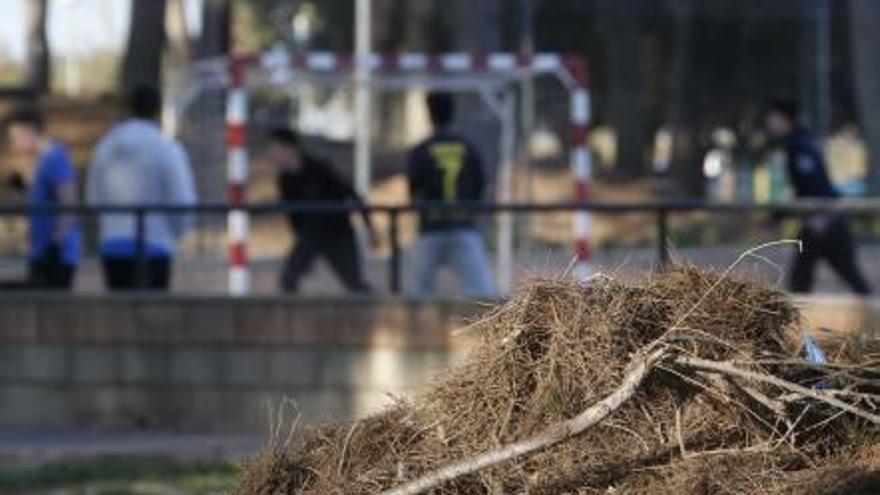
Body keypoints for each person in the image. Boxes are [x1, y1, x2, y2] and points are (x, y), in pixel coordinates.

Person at [87, 85, 196, 291]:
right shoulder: (166, 148)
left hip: (113, 242)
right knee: (152, 315)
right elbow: (181, 199)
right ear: (157, 110)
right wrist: (176, 233)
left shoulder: (106, 146)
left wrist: (107, 224)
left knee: (119, 313)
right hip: (156, 243)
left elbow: (94, 197)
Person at [765, 99, 872, 295]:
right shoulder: (799, 141)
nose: (769, 123)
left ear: (783, 119)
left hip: (822, 220)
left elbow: (813, 184)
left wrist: (819, 215)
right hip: (819, 219)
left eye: (772, 118)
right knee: (809, 277)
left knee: (807, 279)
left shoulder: (798, 145)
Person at [269, 128, 378, 293]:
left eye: (275, 150)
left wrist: (370, 228)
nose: (272, 156)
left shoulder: (319, 169)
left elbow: (352, 195)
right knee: (288, 278)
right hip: (311, 236)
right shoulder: (285, 180)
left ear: (288, 148)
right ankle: (294, 316)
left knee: (354, 284)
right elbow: (294, 217)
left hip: (338, 234)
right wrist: (303, 250)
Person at [407, 92, 494, 297]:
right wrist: (468, 210)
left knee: (418, 294)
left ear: (429, 114)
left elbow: (414, 190)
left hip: (430, 228)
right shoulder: (467, 148)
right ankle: (480, 330)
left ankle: (416, 329)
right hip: (462, 226)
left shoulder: (421, 150)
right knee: (481, 294)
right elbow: (480, 184)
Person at [3, 105, 81, 290]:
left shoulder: (55, 158)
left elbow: (68, 201)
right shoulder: (42, 161)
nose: (12, 143)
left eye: (14, 137)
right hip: (41, 250)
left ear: (29, 130)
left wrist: (55, 244)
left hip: (55, 254)